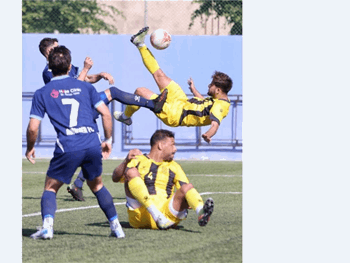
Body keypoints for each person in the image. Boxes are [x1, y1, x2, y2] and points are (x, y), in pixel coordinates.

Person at [39, 37, 167, 201]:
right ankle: (151, 105)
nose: (60, 49)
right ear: (49, 51)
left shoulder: (64, 64)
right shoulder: (48, 72)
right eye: (56, 47)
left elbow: (85, 79)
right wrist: (85, 68)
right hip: (75, 114)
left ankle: (78, 184)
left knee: (111, 96)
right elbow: (73, 88)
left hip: (83, 107)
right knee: (93, 143)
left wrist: (100, 74)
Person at [25, 45, 125, 239]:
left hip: (68, 146)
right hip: (91, 142)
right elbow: (105, 114)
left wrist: (30, 148)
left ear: (50, 67)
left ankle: (47, 227)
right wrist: (108, 140)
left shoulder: (42, 92)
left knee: (50, 188)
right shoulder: (86, 87)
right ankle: (116, 228)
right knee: (97, 186)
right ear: (70, 67)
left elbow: (32, 128)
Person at [114, 27, 233, 143]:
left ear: (218, 90)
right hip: (181, 100)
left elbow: (215, 125)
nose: (208, 85)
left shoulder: (220, 107)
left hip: (175, 114)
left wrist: (208, 135)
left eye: (211, 85)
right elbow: (204, 104)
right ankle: (140, 44)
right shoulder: (216, 100)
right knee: (160, 75)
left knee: (140, 91)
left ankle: (125, 117)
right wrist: (194, 90)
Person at [111, 129, 214, 230]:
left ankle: (201, 212)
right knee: (130, 172)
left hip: (166, 215)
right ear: (160, 145)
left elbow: (186, 191)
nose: (175, 149)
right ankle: (155, 214)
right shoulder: (138, 159)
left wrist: (190, 201)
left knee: (188, 187)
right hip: (140, 213)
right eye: (172, 144)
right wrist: (126, 160)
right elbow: (115, 178)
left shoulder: (174, 166)